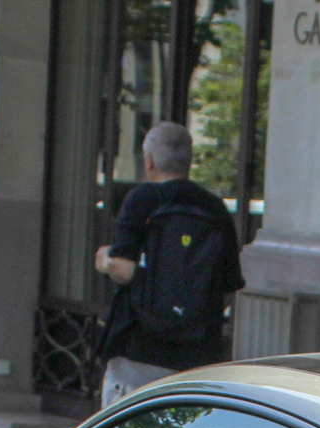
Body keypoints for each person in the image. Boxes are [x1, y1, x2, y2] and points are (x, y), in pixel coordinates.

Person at [94, 121, 243, 407]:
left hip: (139, 350)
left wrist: (104, 259)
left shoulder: (142, 199)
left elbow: (123, 270)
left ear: (149, 162)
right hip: (197, 357)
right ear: (188, 162)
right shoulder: (214, 208)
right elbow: (227, 287)